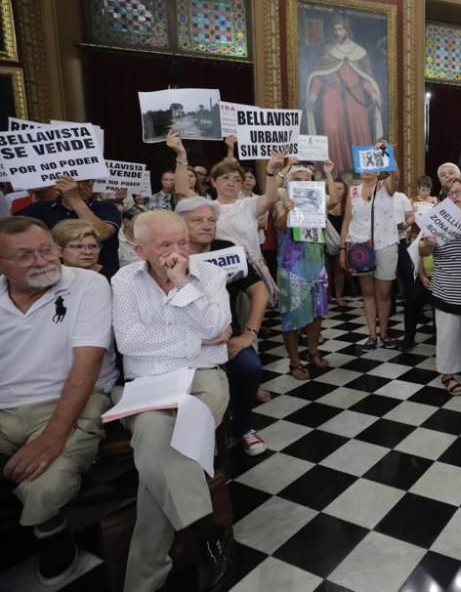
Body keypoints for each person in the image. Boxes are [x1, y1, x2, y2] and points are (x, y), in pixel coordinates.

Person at [110, 210, 233, 591]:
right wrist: (195, 341)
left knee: (156, 449)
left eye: (182, 242)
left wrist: (183, 285)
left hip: (203, 379)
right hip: (147, 384)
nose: (177, 251)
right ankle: (207, 536)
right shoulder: (124, 280)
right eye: (165, 245)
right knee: (158, 437)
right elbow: (129, 340)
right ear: (139, 248)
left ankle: (144, 579)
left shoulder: (208, 274)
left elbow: (217, 327)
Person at [0, 217, 116, 586]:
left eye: (46, 249)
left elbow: (87, 365)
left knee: (46, 485)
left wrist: (51, 438)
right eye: (24, 256)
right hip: (4, 405)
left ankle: (50, 530)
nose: (42, 261)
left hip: (69, 399)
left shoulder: (88, 285)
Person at [177, 196, 269, 456]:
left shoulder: (227, 250)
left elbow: (259, 290)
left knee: (249, 367)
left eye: (211, 220)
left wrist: (249, 334)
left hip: (226, 336)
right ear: (180, 225)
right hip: (181, 339)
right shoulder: (170, 253)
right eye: (198, 220)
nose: (207, 226)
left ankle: (243, 426)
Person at [171, 132, 286, 302]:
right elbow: (181, 189)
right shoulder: (208, 207)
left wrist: (270, 171)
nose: (231, 183)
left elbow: (270, 198)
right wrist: (181, 155)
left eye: (237, 179)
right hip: (217, 268)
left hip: (249, 270)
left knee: (249, 312)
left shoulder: (248, 205)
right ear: (213, 181)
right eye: (225, 178)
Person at [419, 179, 461, 395]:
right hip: (446, 286)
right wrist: (427, 244)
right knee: (448, 333)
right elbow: (422, 251)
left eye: (460, 192)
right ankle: (447, 374)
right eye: (450, 193)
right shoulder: (437, 219)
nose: (455, 196)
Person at [275, 164, 335, 378]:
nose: (304, 183)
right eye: (298, 179)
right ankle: (294, 362)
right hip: (292, 269)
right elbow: (280, 225)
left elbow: (335, 201)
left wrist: (328, 173)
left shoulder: (317, 201)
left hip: (316, 265)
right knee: (291, 315)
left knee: (318, 313)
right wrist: (288, 211)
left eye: (308, 179)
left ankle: (312, 351)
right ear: (289, 184)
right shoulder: (283, 202)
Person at [340, 142, 402, 351]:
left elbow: (395, 177)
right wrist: (342, 248)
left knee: (383, 293)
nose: (367, 170)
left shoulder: (386, 187)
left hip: (385, 244)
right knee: (367, 292)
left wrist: (387, 152)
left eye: (372, 166)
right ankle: (372, 335)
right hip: (359, 247)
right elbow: (347, 221)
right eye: (364, 166)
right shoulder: (353, 191)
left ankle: (384, 333)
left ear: (378, 167)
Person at [304, 13, 384, 169]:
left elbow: (366, 78)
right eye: (335, 29)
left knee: (360, 132)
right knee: (332, 132)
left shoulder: (360, 52)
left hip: (355, 97)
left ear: (347, 30)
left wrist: (373, 93)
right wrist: (313, 94)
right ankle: (335, 171)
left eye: (340, 29)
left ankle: (364, 172)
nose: (337, 33)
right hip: (331, 96)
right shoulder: (328, 51)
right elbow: (319, 75)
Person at [20, 175, 121, 278]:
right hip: (52, 276)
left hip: (102, 276)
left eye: (86, 182)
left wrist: (75, 200)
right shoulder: (38, 210)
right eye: (75, 182)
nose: (80, 187)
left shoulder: (106, 207)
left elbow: (101, 234)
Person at [326, 175, 349, 308]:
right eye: (334, 187)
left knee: (339, 270)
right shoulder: (325, 204)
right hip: (326, 243)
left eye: (340, 188)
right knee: (327, 270)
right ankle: (327, 297)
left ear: (345, 191)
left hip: (341, 242)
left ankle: (339, 296)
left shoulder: (347, 206)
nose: (337, 190)